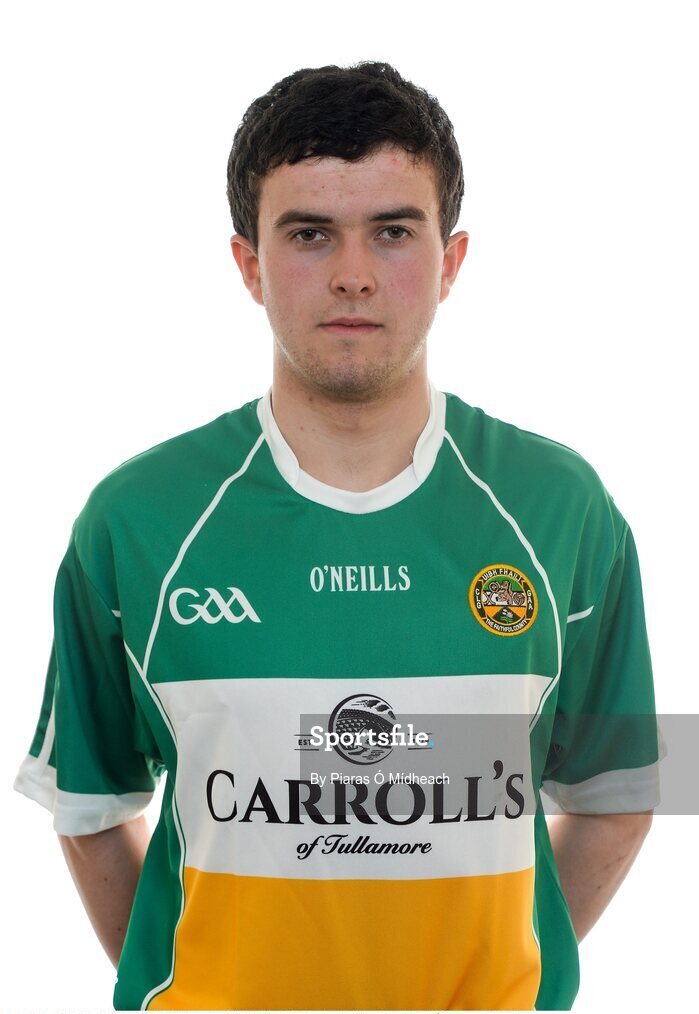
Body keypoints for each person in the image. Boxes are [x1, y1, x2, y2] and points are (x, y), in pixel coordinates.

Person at [13, 61, 662, 1011]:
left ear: (450, 260)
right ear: (249, 264)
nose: (353, 273)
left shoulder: (562, 507)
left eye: (392, 231)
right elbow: (88, 807)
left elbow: (618, 794)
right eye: (309, 233)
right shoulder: (137, 519)